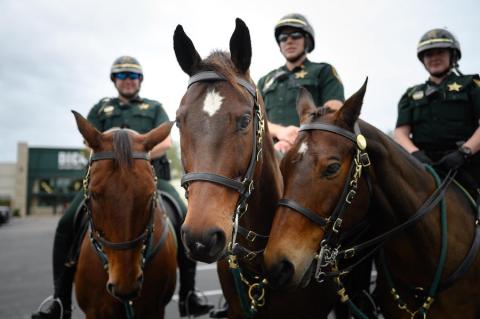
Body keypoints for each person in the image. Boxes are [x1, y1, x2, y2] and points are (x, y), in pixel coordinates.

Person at [32, 56, 213, 319]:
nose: (128, 80)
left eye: (133, 76)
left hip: (149, 177)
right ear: (114, 81)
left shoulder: (153, 108)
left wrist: (136, 158)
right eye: (122, 76)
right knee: (67, 222)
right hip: (106, 179)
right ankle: (60, 300)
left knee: (183, 216)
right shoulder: (102, 108)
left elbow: (164, 143)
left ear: (139, 81)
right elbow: (89, 140)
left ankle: (189, 295)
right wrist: (113, 157)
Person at [394, 28, 480, 198]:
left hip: (467, 165)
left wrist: (464, 152)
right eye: (429, 54)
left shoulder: (472, 84)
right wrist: (416, 155)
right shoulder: (410, 94)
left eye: (440, 52)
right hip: (424, 167)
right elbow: (400, 132)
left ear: (452, 56)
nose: (434, 58)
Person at [257, 13, 345, 154]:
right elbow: (255, 118)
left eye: (296, 35)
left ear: (307, 40)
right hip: (269, 153)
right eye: (283, 38)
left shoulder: (323, 71)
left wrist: (301, 135)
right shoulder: (265, 80)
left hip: (312, 150)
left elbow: (335, 111)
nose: (289, 41)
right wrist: (281, 132)